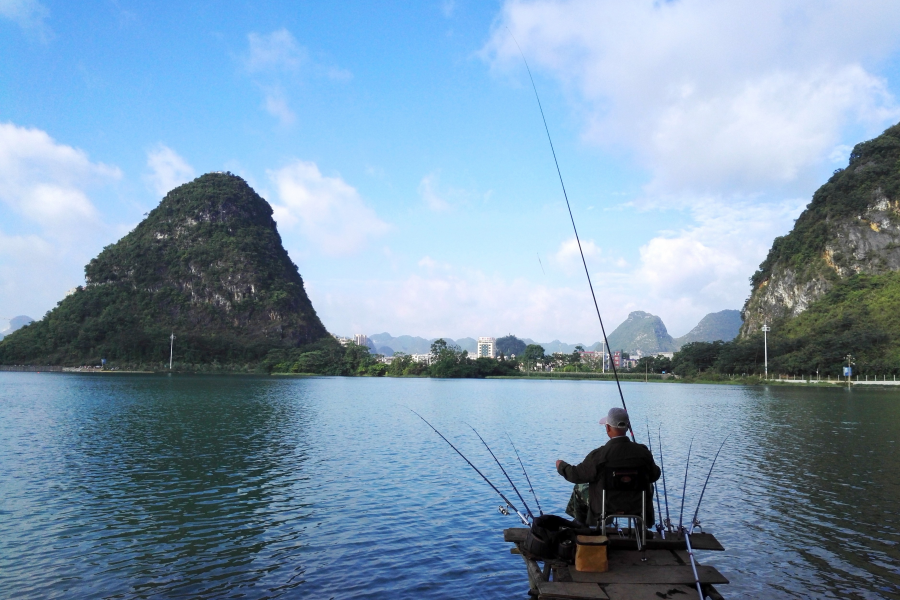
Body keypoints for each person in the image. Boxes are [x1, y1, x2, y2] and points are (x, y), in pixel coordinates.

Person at [555, 407, 661, 527]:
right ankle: (642, 527)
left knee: (578, 488)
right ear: (627, 427)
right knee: (648, 484)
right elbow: (655, 474)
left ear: (608, 428)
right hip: (636, 505)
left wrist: (561, 466)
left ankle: (582, 528)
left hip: (605, 505)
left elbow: (576, 475)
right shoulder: (643, 452)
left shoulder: (599, 455)